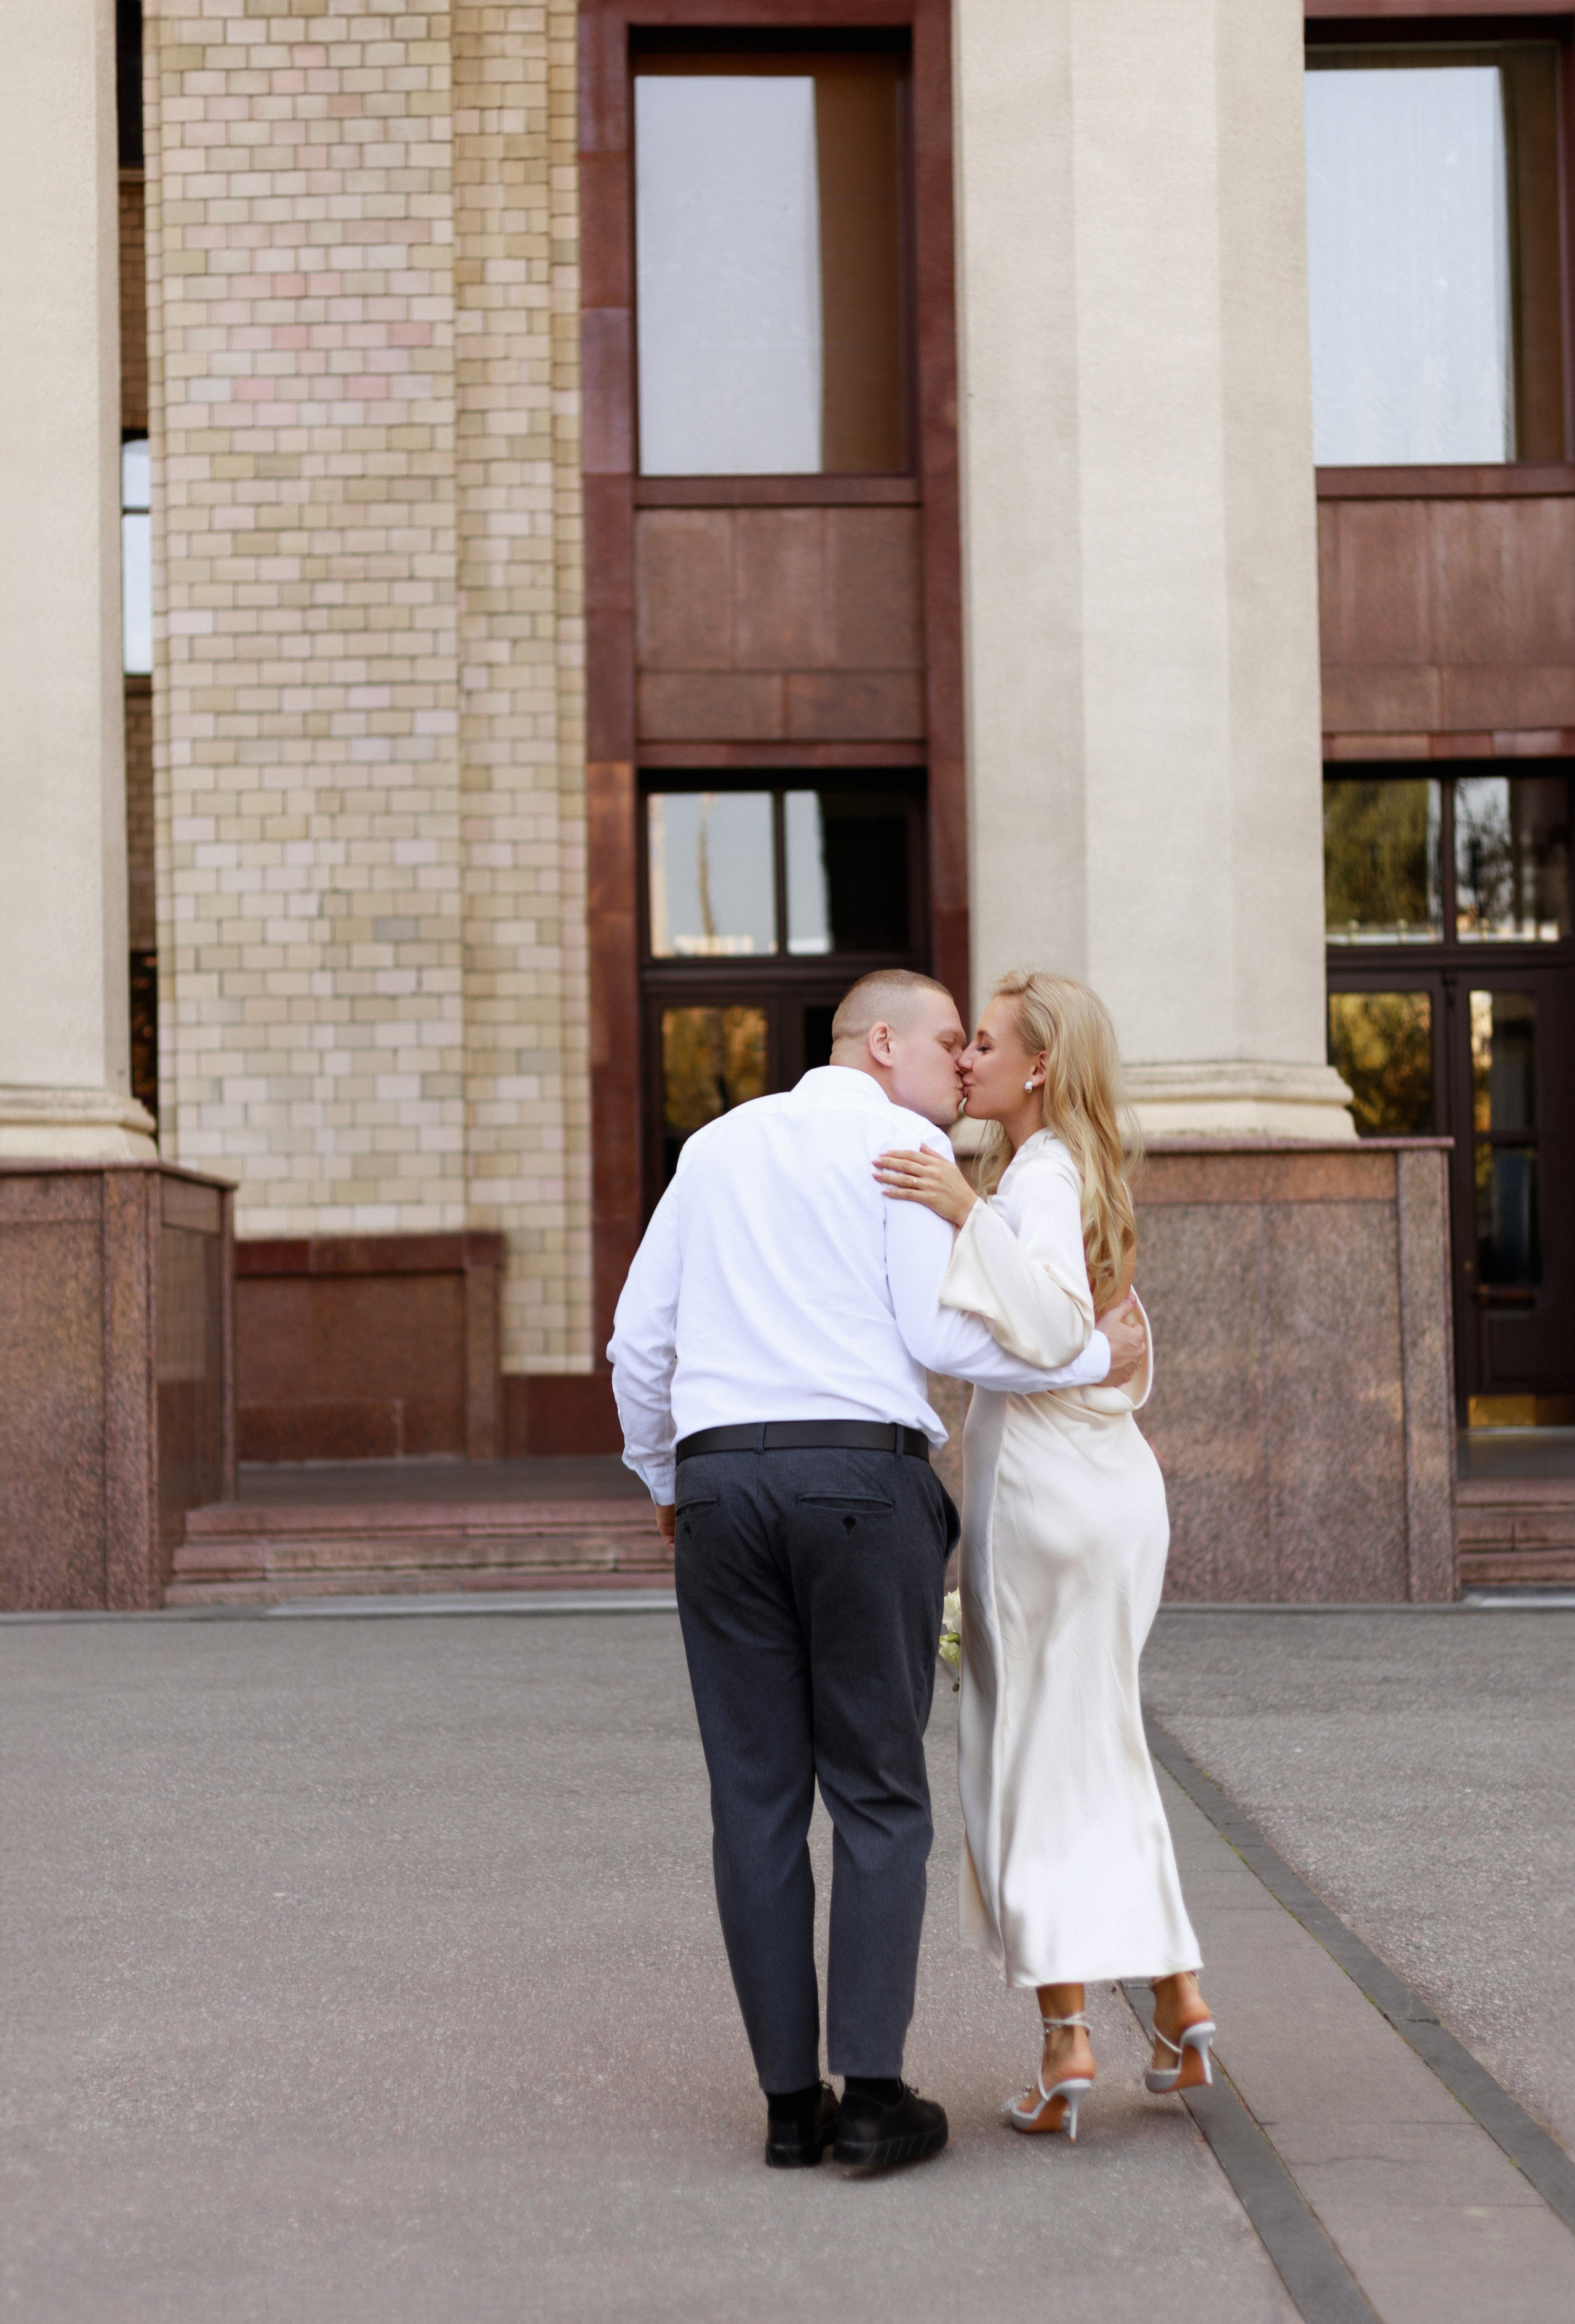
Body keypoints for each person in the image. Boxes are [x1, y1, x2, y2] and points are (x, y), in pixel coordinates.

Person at [608, 969, 1147, 2172]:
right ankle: (872, 2097)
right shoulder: (899, 1146)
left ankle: (788, 2107)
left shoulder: (715, 1145)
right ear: (883, 1042)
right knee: (875, 1792)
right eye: (950, 1040)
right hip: (859, 1481)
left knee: (751, 1799)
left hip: (721, 1483)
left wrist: (665, 1483)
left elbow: (638, 1342)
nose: (962, 1067)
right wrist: (1071, 1350)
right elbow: (941, 1335)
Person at [873, 971, 1216, 2143]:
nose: (962, 1060)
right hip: (1114, 1490)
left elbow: (1064, 1327)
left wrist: (962, 1213)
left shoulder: (1034, 1176)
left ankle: (1068, 2036)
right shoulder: (1077, 1168)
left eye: (985, 1043)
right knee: (1099, 1744)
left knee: (1026, 1761)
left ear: (1036, 1070)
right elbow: (1122, 1340)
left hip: (1050, 1496)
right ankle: (1177, 2001)